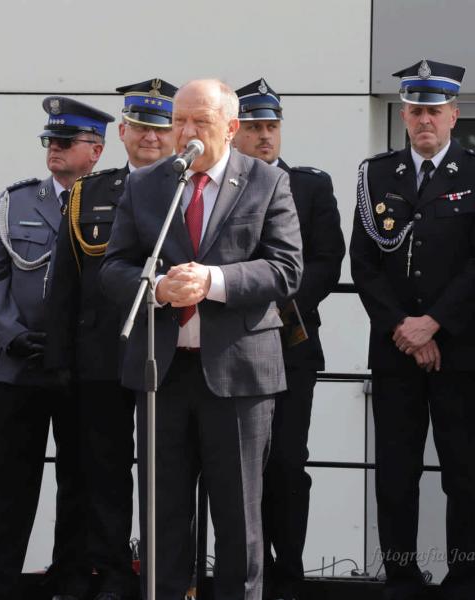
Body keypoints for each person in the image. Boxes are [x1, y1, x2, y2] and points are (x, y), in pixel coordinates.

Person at [99, 79, 303, 600]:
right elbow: (114, 267)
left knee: (238, 519)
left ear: (230, 128)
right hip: (162, 374)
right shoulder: (149, 185)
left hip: (237, 375)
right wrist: (157, 289)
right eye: (179, 121)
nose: (185, 132)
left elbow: (285, 269)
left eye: (200, 122)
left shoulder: (266, 181)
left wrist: (212, 281)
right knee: (162, 518)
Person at [350, 59, 475, 600]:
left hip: (458, 349)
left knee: (463, 476)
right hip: (395, 350)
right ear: (404, 115)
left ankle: (467, 581)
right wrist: (404, 327)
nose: (424, 120)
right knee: (395, 476)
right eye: (415, 110)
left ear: (453, 115)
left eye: (434, 111)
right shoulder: (375, 174)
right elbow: (364, 263)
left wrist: (434, 323)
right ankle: (401, 579)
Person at [0, 97, 114, 600]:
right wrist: (11, 333)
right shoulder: (18, 200)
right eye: (50, 140)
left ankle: (71, 578)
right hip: (20, 362)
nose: (54, 148)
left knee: (79, 475)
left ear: (95, 150)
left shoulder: (112, 200)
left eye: (65, 141)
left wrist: (75, 343)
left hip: (81, 365)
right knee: (11, 476)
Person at [44, 78, 177, 600]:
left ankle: (168, 573)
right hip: (101, 355)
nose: (150, 137)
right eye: (140, 127)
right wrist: (59, 358)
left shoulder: (192, 190)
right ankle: (111, 572)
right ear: (122, 131)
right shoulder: (89, 192)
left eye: (160, 128)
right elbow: (65, 284)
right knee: (103, 471)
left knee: (168, 471)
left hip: (169, 355)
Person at [231, 77, 344, 600]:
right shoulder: (219, 186)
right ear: (234, 131)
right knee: (233, 466)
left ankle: (288, 574)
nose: (264, 135)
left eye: (271, 126)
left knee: (287, 462)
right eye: (254, 126)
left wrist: (280, 303)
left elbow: (327, 258)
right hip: (230, 342)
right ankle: (240, 572)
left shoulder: (310, 186)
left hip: (291, 340)